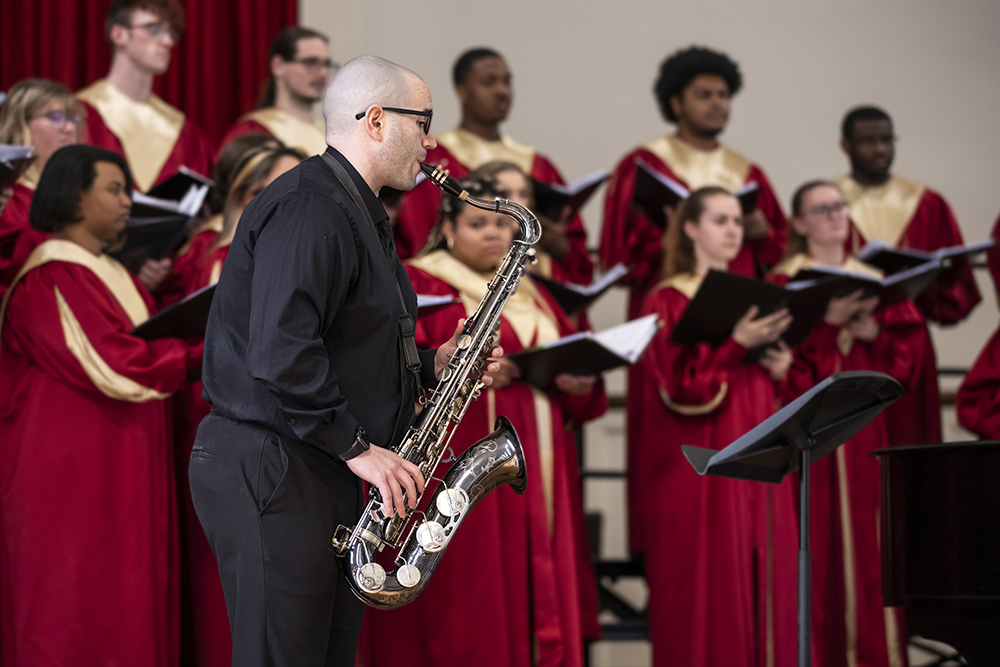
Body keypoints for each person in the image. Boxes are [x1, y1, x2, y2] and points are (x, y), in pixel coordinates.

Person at [187, 55, 501, 666]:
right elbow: (281, 352)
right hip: (275, 463)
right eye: (423, 122)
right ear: (377, 120)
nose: (431, 141)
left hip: (310, 461)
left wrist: (437, 367)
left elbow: (342, 344)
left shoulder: (354, 208)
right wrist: (359, 448)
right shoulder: (312, 206)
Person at [360, 174, 606, 667]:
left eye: (501, 223)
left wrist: (577, 380)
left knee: (530, 582)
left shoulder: (536, 290)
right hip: (455, 454)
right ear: (447, 227)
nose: (493, 234)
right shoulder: (421, 281)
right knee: (470, 594)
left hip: (535, 454)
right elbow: (398, 365)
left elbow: (581, 358)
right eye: (477, 223)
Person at [0, 145, 203, 666]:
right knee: (74, 611)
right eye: (114, 190)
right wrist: (204, 351)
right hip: (72, 485)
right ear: (72, 195)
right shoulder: (49, 273)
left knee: (126, 605)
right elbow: (114, 362)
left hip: (120, 464)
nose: (128, 202)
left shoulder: (108, 271)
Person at [600, 46, 788, 554]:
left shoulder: (748, 173)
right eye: (704, 94)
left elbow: (777, 253)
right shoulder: (643, 163)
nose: (716, 104)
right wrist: (667, 232)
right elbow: (618, 257)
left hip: (737, 315)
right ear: (676, 101)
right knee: (676, 441)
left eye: (723, 95)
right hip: (674, 316)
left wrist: (761, 231)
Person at [635, 186, 799, 667]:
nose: (733, 231)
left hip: (757, 442)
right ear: (691, 228)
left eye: (736, 221)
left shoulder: (753, 292)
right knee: (710, 587)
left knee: (766, 577)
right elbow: (678, 389)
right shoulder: (666, 297)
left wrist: (779, 366)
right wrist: (735, 344)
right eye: (720, 220)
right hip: (701, 462)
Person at [769, 181, 921, 667]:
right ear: (797, 223)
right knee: (817, 550)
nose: (835, 216)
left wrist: (874, 332)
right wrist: (827, 323)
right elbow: (784, 377)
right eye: (820, 209)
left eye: (839, 206)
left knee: (871, 548)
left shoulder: (874, 278)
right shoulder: (783, 282)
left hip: (862, 434)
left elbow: (904, 369)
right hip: (809, 438)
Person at [171, 141, 303, 667]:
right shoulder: (221, 257)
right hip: (239, 429)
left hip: (289, 433)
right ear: (253, 195)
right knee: (241, 582)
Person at [835, 105, 981, 447]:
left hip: (907, 339)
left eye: (887, 139)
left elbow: (954, 292)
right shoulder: (828, 203)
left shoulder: (927, 203)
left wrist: (935, 280)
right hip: (848, 337)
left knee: (911, 439)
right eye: (868, 140)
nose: (881, 149)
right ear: (846, 145)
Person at [393, 47, 593, 285]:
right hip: (459, 286)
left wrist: (558, 245)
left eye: (507, 82)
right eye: (489, 82)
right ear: (461, 90)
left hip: (533, 286)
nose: (502, 91)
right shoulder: (434, 160)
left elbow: (576, 255)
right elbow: (414, 238)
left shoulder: (538, 165)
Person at [78, 0, 213, 194]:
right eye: (154, 29)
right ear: (119, 34)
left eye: (171, 33)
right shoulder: (79, 115)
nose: (167, 41)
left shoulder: (187, 135)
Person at [0, 79, 83, 295]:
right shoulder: (8, 198)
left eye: (73, 119)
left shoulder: (81, 195)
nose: (70, 128)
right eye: (55, 117)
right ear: (19, 124)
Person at [218, 27, 332, 157]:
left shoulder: (333, 136)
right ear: (278, 66)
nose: (323, 73)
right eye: (310, 62)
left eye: (327, 64)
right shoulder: (253, 131)